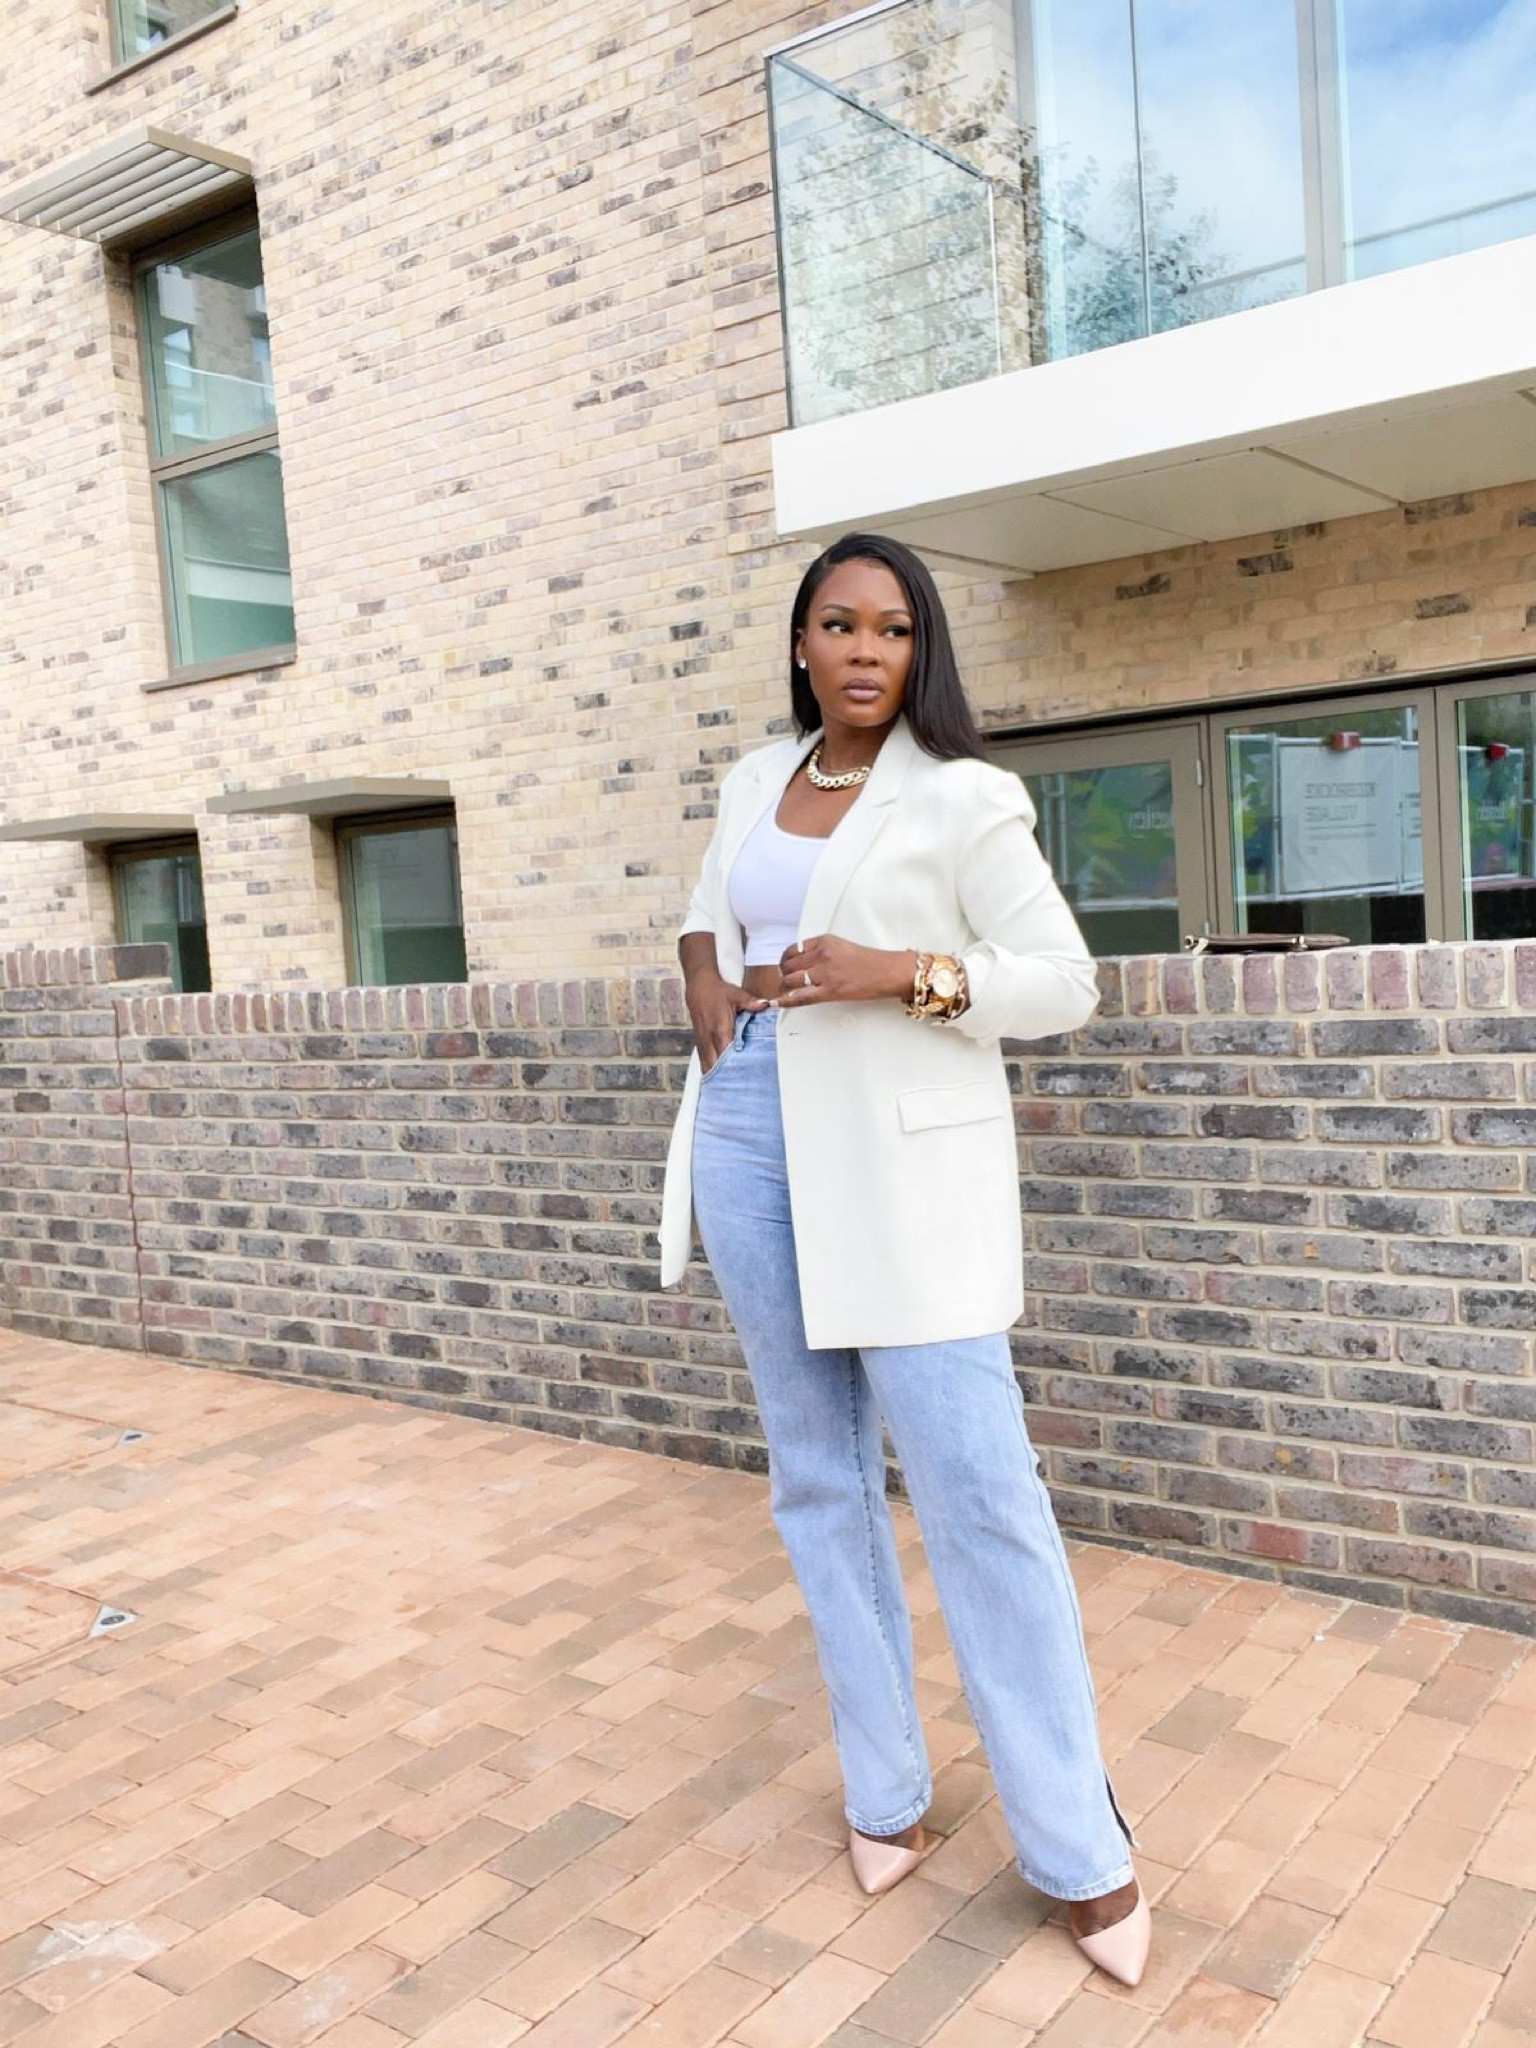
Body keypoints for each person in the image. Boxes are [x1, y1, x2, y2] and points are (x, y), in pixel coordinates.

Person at [657, 532, 1151, 1988]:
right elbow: (707, 909)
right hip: (746, 1125)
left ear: (920, 648)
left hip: (903, 1162)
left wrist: (900, 974)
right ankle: (885, 1791)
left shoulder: (964, 795)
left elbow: (1062, 982)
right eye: (838, 625)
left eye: (891, 629)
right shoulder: (757, 776)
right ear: (802, 643)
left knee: (981, 1495)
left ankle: (1079, 1847)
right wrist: (704, 980)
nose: (864, 650)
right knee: (818, 1479)